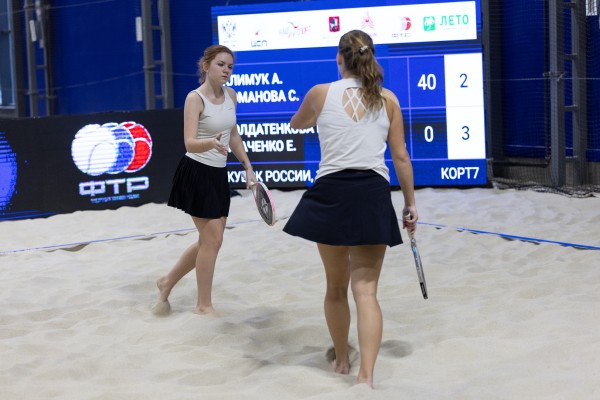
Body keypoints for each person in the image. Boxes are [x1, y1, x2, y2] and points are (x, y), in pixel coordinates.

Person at [282, 30, 418, 388]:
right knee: (366, 291)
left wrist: (313, 118)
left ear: (339, 59)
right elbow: (401, 158)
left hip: (332, 193)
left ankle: (342, 360)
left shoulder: (320, 93)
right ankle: (366, 377)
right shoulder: (388, 99)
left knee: (335, 286)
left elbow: (297, 123)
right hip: (372, 194)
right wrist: (410, 204)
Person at [152, 44, 256, 316]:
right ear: (206, 66)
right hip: (196, 172)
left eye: (230, 66)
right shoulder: (194, 98)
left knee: (209, 241)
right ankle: (203, 305)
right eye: (221, 65)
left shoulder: (231, 95)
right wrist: (210, 142)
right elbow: (189, 142)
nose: (226, 70)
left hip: (218, 174)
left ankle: (167, 281)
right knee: (213, 239)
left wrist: (247, 166)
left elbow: (233, 136)